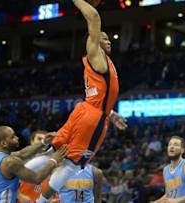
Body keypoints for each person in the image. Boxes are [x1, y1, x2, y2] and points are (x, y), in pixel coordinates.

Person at [28, 0, 127, 202]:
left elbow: (99, 95)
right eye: (104, 37)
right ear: (94, 41)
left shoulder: (102, 61)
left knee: (54, 151)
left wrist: (112, 113)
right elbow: (94, 17)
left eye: (109, 38)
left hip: (84, 109)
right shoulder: (96, 55)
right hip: (92, 117)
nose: (109, 41)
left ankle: (11, 173)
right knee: (72, 164)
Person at [0, 126, 67, 203]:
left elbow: (22, 154)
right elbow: (37, 178)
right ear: (4, 143)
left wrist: (44, 143)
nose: (17, 138)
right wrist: (54, 160)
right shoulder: (10, 162)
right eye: (13, 137)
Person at [152, 136, 185, 203]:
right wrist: (156, 202)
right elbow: (168, 195)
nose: (171, 147)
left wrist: (177, 200)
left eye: (176, 145)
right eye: (170, 144)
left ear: (182, 150)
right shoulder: (165, 170)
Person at [17, 131, 60, 203]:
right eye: (39, 139)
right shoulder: (19, 162)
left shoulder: (53, 165)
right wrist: (19, 196)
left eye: (46, 140)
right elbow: (6, 183)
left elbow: (54, 190)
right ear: (32, 141)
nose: (43, 142)